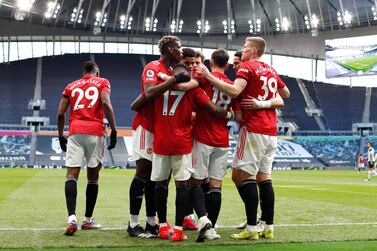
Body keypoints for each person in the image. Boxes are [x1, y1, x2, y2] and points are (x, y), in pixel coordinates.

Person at [196, 36, 290, 240]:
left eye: (246, 48)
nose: (243, 51)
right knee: (263, 177)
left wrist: (209, 76)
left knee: (242, 176)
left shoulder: (247, 68)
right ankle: (268, 225)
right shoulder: (270, 70)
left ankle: (252, 227)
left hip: (254, 128)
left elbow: (234, 90)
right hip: (271, 130)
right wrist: (265, 103)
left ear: (254, 51)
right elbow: (285, 93)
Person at [152, 64, 233, 242]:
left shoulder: (158, 87)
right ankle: (179, 230)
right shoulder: (194, 90)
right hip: (183, 141)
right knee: (183, 185)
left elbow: (145, 101)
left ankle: (163, 227)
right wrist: (228, 115)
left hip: (160, 140)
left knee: (160, 184)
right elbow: (212, 108)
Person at [127, 35, 187, 238]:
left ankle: (152, 222)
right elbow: (150, 91)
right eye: (178, 47)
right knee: (143, 172)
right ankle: (133, 224)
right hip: (146, 127)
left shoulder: (173, 71)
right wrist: (172, 81)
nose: (181, 50)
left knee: (158, 177)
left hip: (163, 129)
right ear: (170, 49)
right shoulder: (153, 67)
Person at [57, 61, 117, 236]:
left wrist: (61, 135)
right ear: (96, 71)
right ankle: (88, 220)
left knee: (71, 175)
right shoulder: (103, 82)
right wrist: (113, 129)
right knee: (93, 177)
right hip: (95, 132)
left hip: (75, 131)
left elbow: (61, 113)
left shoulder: (70, 86)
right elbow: (106, 104)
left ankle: (71, 219)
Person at [191, 48, 233, 240]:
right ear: (227, 64)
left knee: (196, 182)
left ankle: (203, 221)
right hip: (222, 139)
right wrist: (229, 114)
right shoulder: (232, 85)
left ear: (211, 62)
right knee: (216, 185)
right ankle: (212, 229)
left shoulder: (204, 78)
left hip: (202, 136)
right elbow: (237, 115)